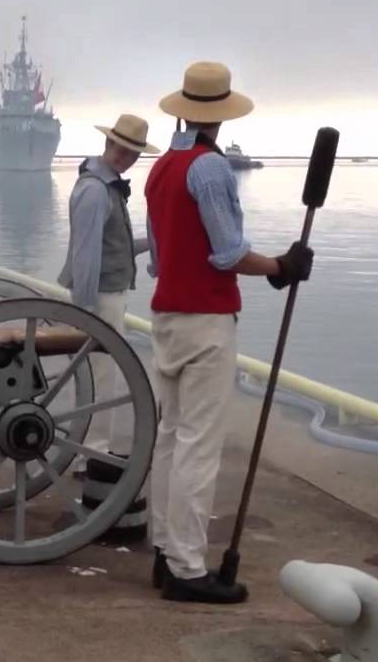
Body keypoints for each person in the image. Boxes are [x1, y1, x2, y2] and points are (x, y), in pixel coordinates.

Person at [143, 61, 314, 603]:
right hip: (206, 321)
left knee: (171, 438)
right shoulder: (210, 169)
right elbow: (227, 254)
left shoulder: (160, 168)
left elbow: (159, 258)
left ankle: (164, 552)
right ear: (220, 115)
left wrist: (274, 268)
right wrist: (281, 267)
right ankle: (187, 568)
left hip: (166, 317)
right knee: (198, 446)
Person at [55, 113, 158, 539]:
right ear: (112, 145)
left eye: (133, 153)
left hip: (106, 293)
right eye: (125, 150)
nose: (128, 158)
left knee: (103, 376)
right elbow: (86, 254)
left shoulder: (103, 186)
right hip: (99, 297)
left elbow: (112, 247)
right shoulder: (96, 190)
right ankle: (91, 453)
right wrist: (83, 312)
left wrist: (154, 242)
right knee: (101, 377)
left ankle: (90, 449)